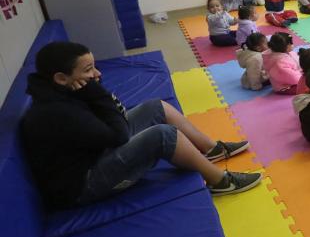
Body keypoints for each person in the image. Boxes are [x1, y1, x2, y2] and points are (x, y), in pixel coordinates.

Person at [19, 42, 262, 208]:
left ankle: (212, 149)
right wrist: (97, 93)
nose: (97, 74)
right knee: (163, 135)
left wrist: (94, 94)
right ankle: (220, 181)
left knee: (155, 107)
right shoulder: (57, 112)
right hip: (83, 185)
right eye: (88, 70)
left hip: (93, 152)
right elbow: (119, 135)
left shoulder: (60, 92)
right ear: (61, 78)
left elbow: (109, 124)